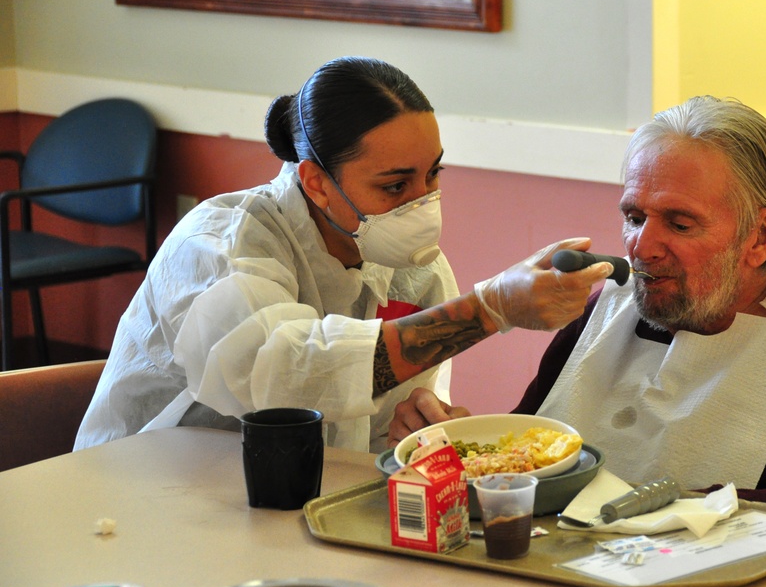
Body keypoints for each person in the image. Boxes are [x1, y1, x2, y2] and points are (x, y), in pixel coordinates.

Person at [391, 96, 766, 539]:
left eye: (679, 223)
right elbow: (536, 452)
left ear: (762, 236)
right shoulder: (602, 309)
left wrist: (695, 509)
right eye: (634, 216)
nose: (641, 246)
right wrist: (465, 452)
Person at [74, 56, 610, 453]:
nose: (423, 205)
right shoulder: (219, 245)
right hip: (145, 490)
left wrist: (410, 430)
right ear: (317, 183)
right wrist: (488, 310)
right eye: (396, 186)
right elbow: (283, 375)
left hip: (295, 506)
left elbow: (373, 419)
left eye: (433, 175)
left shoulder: (413, 275)